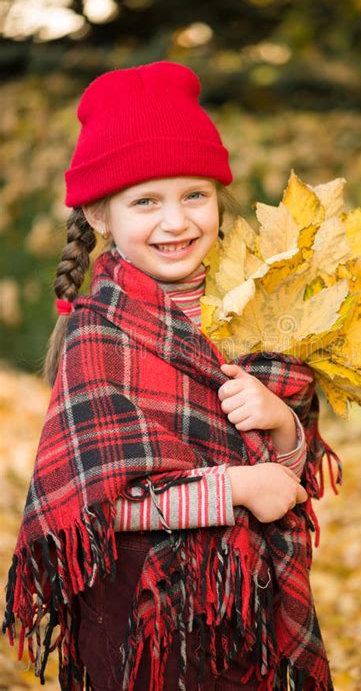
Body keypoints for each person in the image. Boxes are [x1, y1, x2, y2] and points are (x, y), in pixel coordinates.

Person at [2, 61, 342, 691]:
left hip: (244, 604)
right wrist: (236, 487)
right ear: (102, 216)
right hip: (140, 618)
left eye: (195, 195)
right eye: (146, 202)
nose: (177, 222)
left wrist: (283, 422)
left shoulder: (253, 314)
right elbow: (100, 509)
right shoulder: (99, 334)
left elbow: (286, 484)